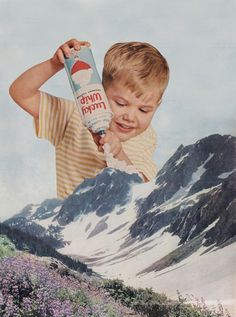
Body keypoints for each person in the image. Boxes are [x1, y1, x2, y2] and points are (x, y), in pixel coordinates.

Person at [9, 38, 169, 199]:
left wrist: (118, 153)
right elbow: (21, 93)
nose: (130, 117)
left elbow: (142, 191)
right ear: (100, 90)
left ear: (157, 105)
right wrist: (54, 64)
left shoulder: (146, 136)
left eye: (144, 110)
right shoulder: (71, 117)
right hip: (70, 221)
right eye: (121, 103)